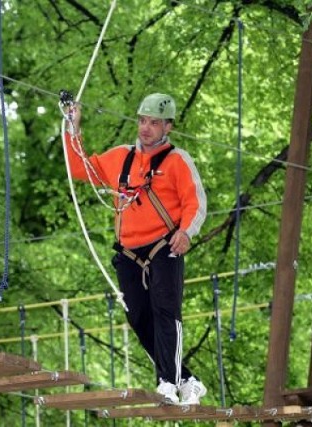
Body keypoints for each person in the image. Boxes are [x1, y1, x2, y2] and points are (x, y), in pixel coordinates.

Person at [64, 93, 207, 405]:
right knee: (139, 318)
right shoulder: (121, 158)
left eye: (154, 123)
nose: (146, 128)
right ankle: (187, 378)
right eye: (143, 121)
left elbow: (195, 201)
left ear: (168, 127)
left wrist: (186, 231)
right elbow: (80, 169)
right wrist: (72, 129)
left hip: (163, 246)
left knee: (165, 311)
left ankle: (168, 381)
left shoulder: (177, 161)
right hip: (128, 252)